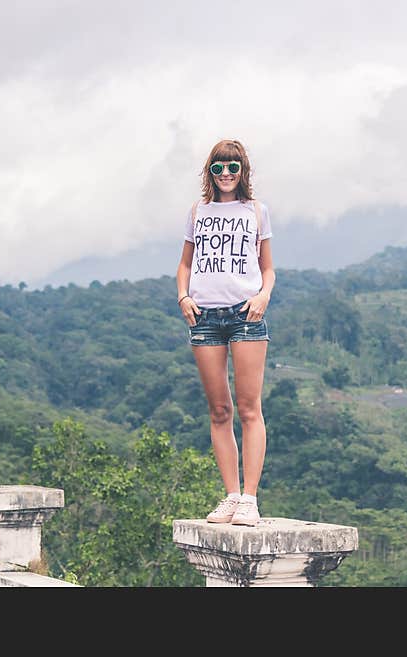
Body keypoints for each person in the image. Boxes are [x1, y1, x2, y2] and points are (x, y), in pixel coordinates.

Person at [175, 138, 276, 526]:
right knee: (219, 410)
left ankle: (250, 498)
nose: (226, 174)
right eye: (219, 167)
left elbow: (267, 267)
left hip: (245, 314)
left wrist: (264, 295)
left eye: (233, 167)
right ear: (210, 172)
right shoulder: (198, 212)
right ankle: (231, 495)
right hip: (204, 316)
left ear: (243, 171)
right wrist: (183, 296)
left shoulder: (256, 211)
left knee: (250, 408)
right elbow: (185, 263)